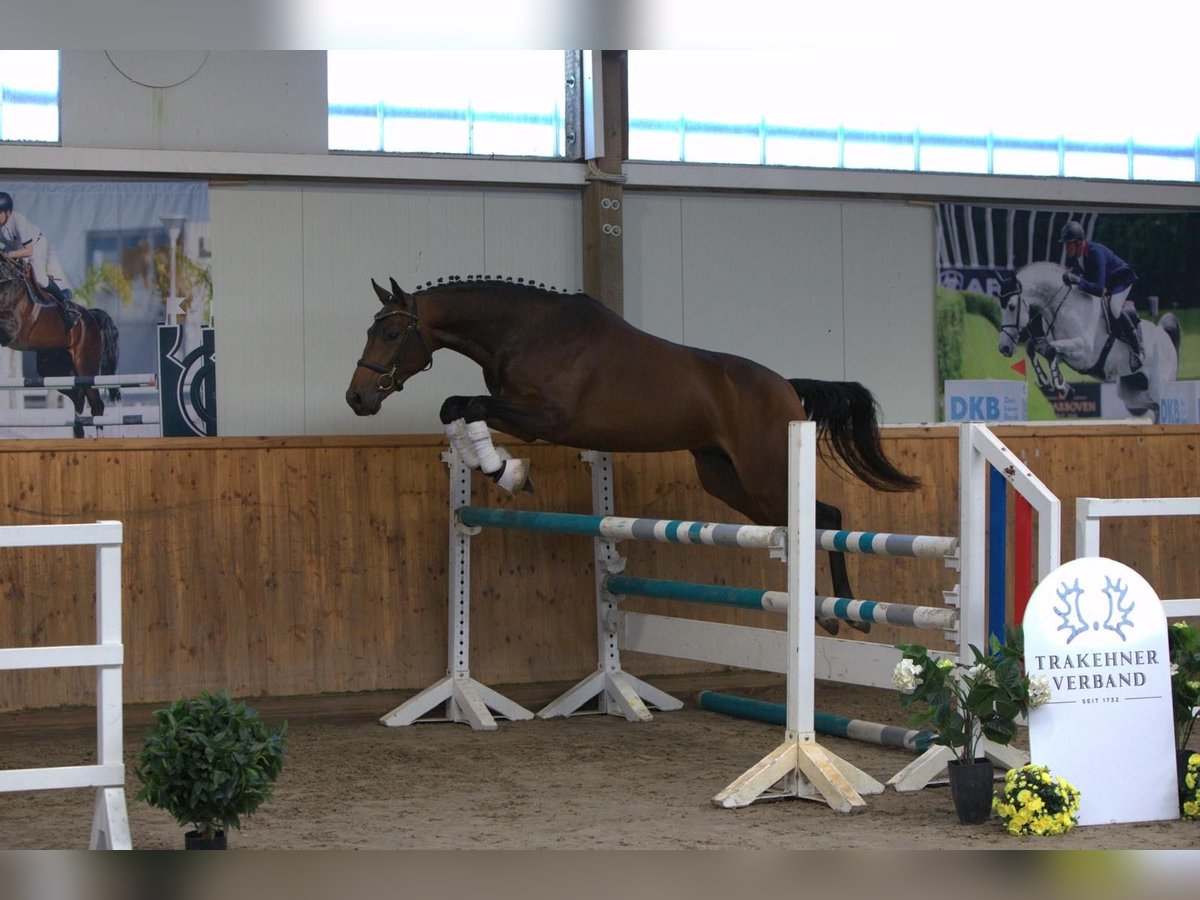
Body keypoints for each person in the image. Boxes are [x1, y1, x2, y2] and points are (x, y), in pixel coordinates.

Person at [1059, 219, 1142, 371]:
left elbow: (1098, 290)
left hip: (1121, 281)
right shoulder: (1079, 257)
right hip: (1108, 284)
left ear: (1078, 243)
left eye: (1068, 244)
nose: (1066, 248)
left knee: (1114, 309)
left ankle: (1137, 349)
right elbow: (1085, 277)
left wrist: (1077, 280)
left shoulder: (1095, 253)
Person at [0, 191, 79, 330]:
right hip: (14, 248)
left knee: (40, 279)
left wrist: (8, 254)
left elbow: (28, 250)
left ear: (8, 213)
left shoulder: (18, 221)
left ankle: (64, 302)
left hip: (35, 246)